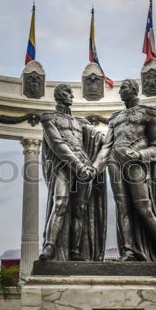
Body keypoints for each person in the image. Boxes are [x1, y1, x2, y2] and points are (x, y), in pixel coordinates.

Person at [93, 79, 156, 261]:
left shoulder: (149, 113)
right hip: (114, 162)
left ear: (134, 89)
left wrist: (139, 155)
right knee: (122, 208)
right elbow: (107, 146)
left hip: (135, 163)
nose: (120, 92)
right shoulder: (115, 118)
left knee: (144, 207)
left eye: (124, 88)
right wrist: (95, 167)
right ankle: (128, 251)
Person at [39, 84, 106, 261]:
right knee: (60, 203)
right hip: (64, 165)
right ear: (58, 96)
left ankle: (75, 251)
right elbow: (57, 144)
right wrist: (78, 166)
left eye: (70, 93)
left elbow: (98, 138)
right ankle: (49, 246)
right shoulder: (48, 118)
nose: (71, 96)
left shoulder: (80, 122)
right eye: (67, 93)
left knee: (80, 209)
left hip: (84, 163)